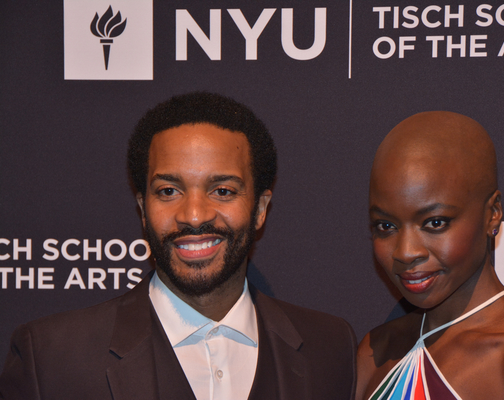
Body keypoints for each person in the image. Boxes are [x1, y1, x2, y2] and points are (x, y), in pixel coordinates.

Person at [0, 92, 356, 400]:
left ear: (260, 209)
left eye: (223, 191)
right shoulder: (51, 359)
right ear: (143, 209)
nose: (195, 215)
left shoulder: (329, 348)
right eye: (169, 191)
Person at [356, 111, 504, 400]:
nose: (406, 252)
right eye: (386, 226)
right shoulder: (376, 350)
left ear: (492, 214)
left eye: (435, 222)